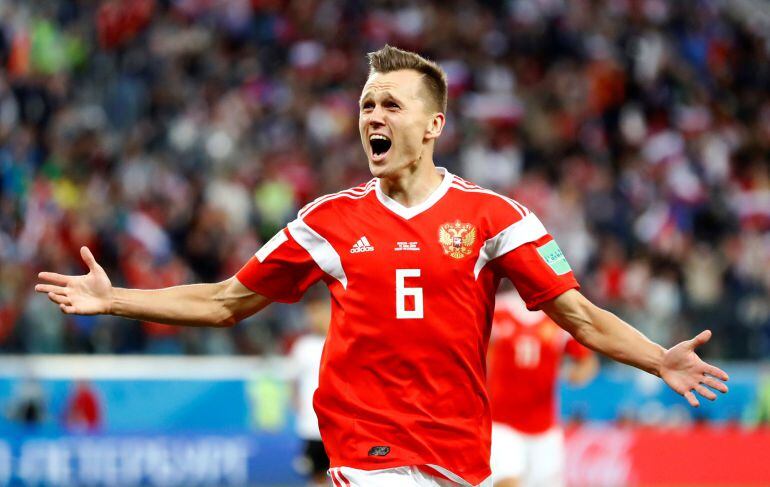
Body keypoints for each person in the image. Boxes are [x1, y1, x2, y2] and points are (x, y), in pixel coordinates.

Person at [35, 45, 729, 487]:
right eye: (367, 104)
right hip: (366, 451)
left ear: (432, 126)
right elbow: (225, 301)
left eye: (391, 104)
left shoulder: (497, 218)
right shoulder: (327, 221)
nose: (373, 115)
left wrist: (655, 359)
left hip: (460, 457)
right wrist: (117, 298)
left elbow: (577, 314)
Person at [487, 290, 598, 487]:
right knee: (506, 481)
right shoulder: (499, 309)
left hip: (544, 428)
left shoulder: (559, 316)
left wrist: (574, 374)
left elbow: (587, 362)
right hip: (502, 423)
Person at [290, 288, 332, 486]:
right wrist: (296, 405)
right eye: (311, 314)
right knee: (317, 474)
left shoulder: (335, 342)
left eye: (318, 313)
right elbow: (293, 381)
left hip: (336, 422)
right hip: (311, 423)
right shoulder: (302, 346)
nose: (314, 319)